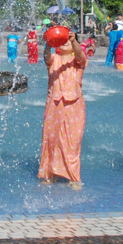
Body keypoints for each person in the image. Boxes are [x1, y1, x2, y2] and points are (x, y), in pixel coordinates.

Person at [38, 26, 87, 186]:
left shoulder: (78, 60)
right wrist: (48, 44)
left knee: (72, 140)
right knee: (51, 138)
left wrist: (73, 41)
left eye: (69, 41)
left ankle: (73, 177)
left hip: (74, 105)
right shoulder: (54, 59)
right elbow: (46, 58)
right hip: (54, 103)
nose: (66, 43)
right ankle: (49, 174)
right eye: (63, 41)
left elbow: (80, 56)